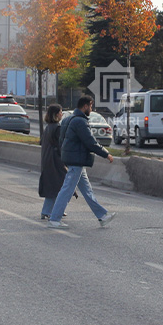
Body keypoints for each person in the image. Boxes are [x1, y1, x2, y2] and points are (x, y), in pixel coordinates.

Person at [47, 95, 116, 229]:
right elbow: (90, 142)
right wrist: (106, 154)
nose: (91, 108)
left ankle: (102, 216)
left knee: (87, 190)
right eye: (91, 106)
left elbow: (61, 141)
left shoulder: (67, 119)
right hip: (76, 161)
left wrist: (65, 156)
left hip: (73, 159)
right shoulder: (80, 122)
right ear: (85, 105)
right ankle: (55, 219)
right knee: (67, 189)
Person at [39, 104, 68, 220]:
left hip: (48, 160)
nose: (62, 114)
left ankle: (47, 210)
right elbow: (61, 146)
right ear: (56, 114)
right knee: (60, 187)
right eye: (61, 112)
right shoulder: (57, 128)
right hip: (55, 161)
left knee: (54, 187)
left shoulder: (49, 127)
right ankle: (54, 210)